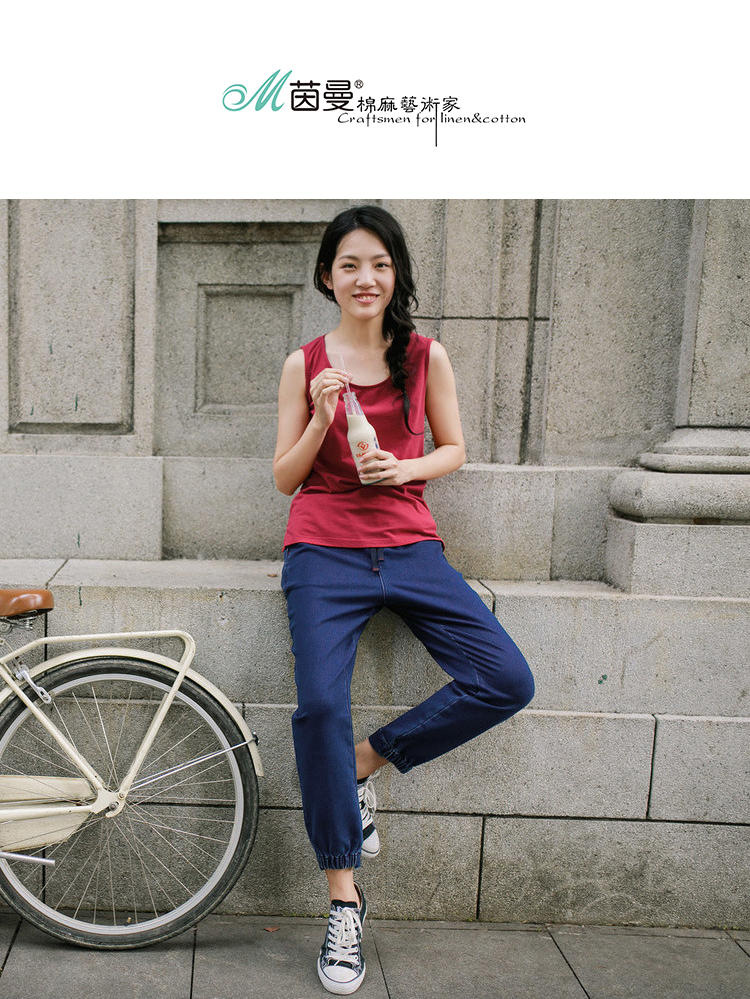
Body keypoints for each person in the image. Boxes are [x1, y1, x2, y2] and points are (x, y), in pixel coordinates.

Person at [273, 205, 534, 995]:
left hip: (410, 543)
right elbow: (284, 477)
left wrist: (405, 469)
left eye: (380, 264)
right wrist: (322, 419)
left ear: (396, 275)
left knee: (506, 678)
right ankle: (343, 900)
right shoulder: (304, 364)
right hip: (323, 548)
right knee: (321, 705)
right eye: (350, 264)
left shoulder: (424, 357)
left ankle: (362, 762)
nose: (366, 278)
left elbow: (454, 448)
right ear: (327, 276)